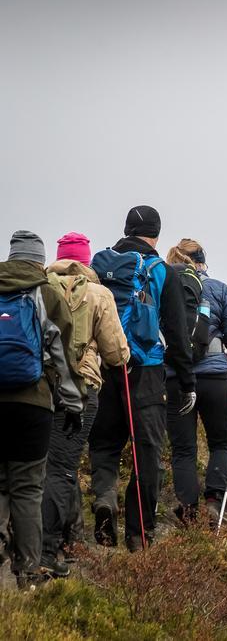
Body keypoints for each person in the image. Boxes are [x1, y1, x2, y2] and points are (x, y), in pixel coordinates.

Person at [89, 205, 197, 551]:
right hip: (146, 370)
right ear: (156, 233)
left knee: (104, 444)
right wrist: (186, 380)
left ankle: (104, 498)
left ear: (126, 230)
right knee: (145, 451)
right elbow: (177, 332)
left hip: (106, 366)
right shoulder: (161, 270)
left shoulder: (100, 264)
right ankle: (140, 534)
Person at [40, 233, 129, 577]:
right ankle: (48, 549)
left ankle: (71, 538)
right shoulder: (98, 293)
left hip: (39, 388)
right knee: (62, 467)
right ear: (87, 261)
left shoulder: (38, 288)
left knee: (52, 463)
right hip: (82, 389)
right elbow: (116, 353)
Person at [0, 231, 83, 588]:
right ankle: (28, 571)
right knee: (28, 488)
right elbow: (63, 358)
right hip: (33, 405)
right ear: (39, 259)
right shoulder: (46, 293)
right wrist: (73, 404)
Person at [164, 239, 227, 527]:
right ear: (203, 262)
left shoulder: (163, 286)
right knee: (221, 442)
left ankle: (188, 509)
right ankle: (214, 502)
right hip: (215, 376)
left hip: (176, 377)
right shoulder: (218, 289)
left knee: (183, 449)